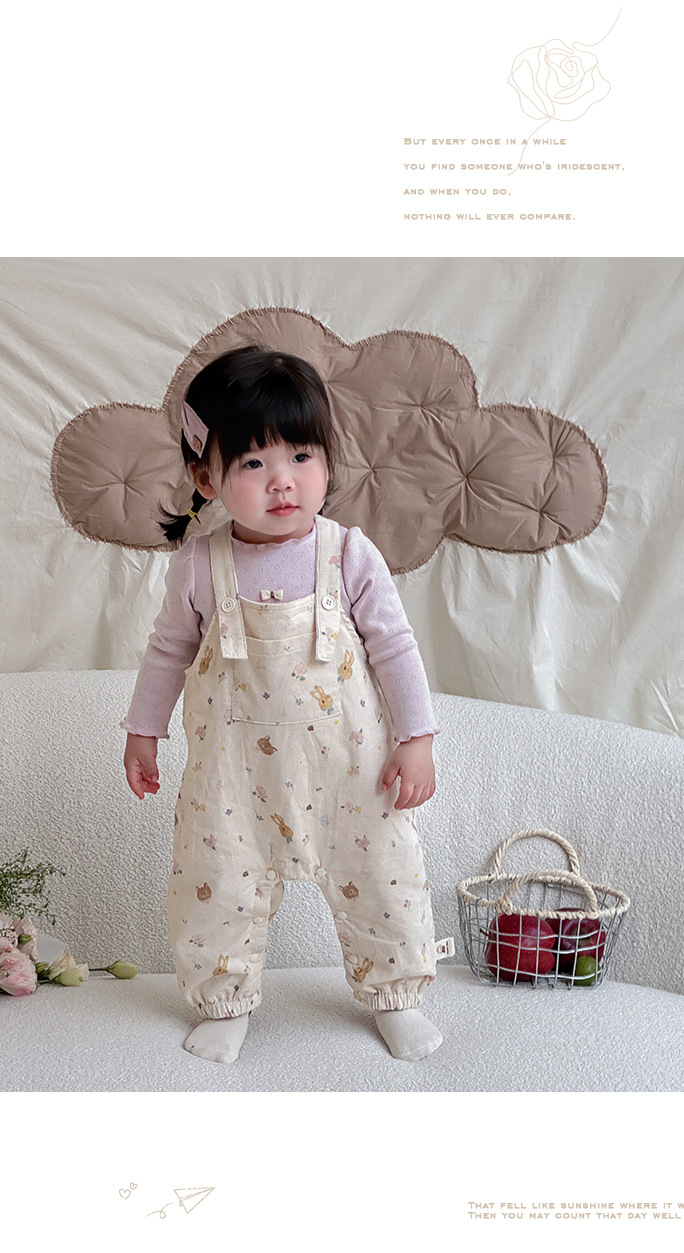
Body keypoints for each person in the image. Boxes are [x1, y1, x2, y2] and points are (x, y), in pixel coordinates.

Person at [122, 346, 444, 1065]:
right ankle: (225, 1001)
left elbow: (395, 647)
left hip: (352, 774)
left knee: (383, 879)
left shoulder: (348, 554)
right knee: (217, 888)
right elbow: (168, 651)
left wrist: (416, 738)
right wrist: (144, 729)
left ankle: (396, 994)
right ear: (206, 478)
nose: (283, 481)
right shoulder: (201, 565)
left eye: (301, 455)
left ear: (327, 459)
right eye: (253, 463)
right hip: (232, 780)